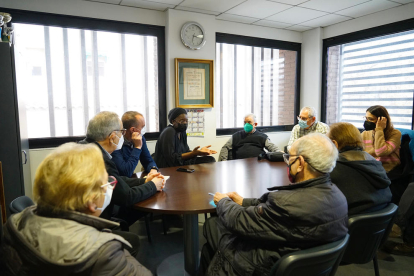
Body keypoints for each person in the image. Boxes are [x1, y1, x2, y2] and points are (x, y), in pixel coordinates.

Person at [199, 133, 348, 275]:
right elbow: (272, 210)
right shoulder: (339, 197)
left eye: (289, 157)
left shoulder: (286, 204)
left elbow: (239, 220)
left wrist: (223, 201)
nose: (287, 162)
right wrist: (243, 201)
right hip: (306, 265)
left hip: (264, 266)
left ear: (301, 163)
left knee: (211, 231)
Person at [1, 143, 152, 275]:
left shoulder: (12, 225)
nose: (110, 187)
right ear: (90, 201)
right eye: (107, 183)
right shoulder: (104, 253)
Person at [80, 111, 165, 226]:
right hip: (94, 218)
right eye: (121, 131)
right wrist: (153, 185)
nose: (123, 135)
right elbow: (127, 196)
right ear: (112, 137)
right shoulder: (100, 159)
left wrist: (144, 180)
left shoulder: (84, 147)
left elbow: (116, 179)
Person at [328, 122, 392, 215]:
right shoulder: (374, 162)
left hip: (350, 223)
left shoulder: (334, 167)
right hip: (381, 220)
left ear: (334, 144)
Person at [112, 111, 159, 177]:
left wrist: (153, 169)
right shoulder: (116, 142)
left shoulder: (141, 138)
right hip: (118, 182)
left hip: (131, 180)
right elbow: (125, 172)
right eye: (142, 127)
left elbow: (148, 160)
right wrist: (137, 147)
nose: (143, 130)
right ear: (133, 130)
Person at [362, 105, 402, 173]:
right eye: (366, 118)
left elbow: (380, 152)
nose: (367, 121)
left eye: (370, 119)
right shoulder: (365, 134)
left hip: (387, 170)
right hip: (370, 168)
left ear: (382, 120)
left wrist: (379, 129)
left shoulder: (395, 134)